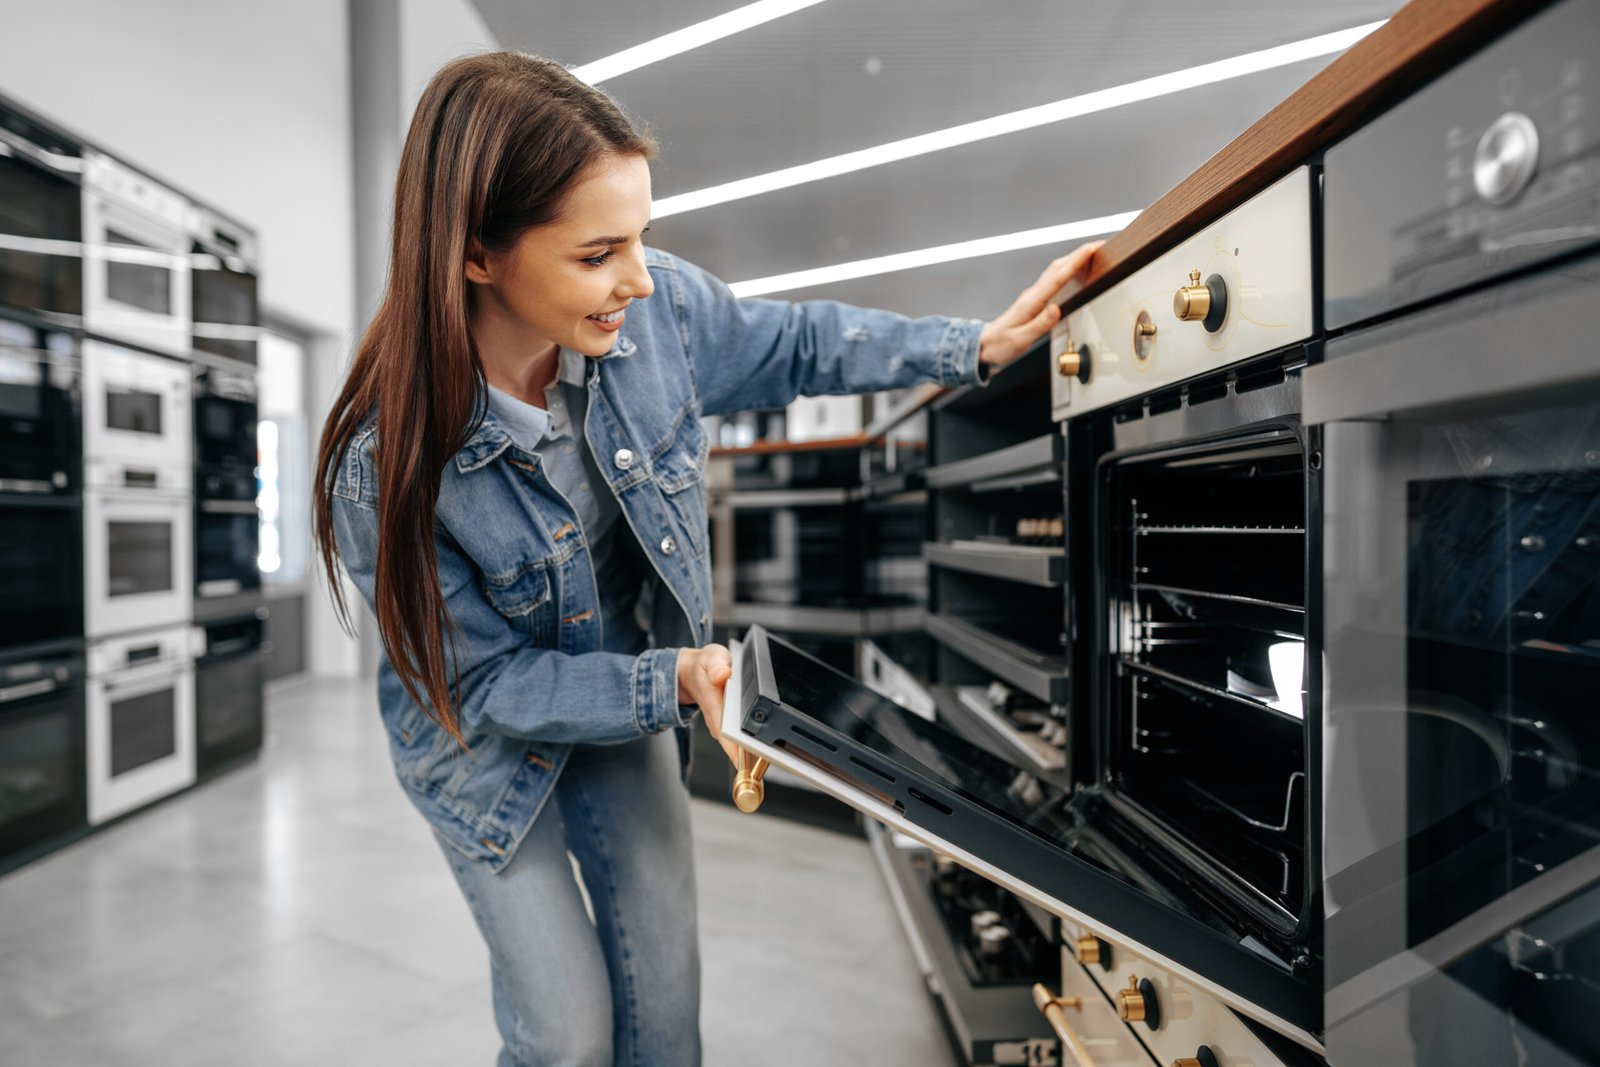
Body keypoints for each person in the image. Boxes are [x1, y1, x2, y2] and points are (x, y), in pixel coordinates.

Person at [313, 50, 1101, 1067]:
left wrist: (972, 348)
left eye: (640, 239)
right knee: (565, 1034)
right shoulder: (383, 468)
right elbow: (491, 682)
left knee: (664, 1018)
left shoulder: (658, 313)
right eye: (599, 253)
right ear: (476, 254)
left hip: (626, 693)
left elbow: (800, 343)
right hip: (483, 742)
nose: (638, 279)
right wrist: (676, 678)